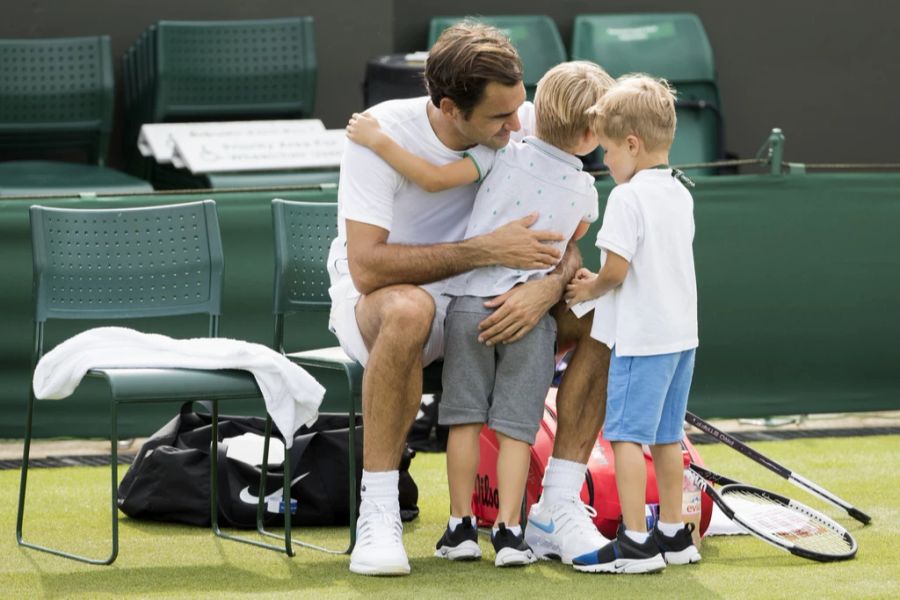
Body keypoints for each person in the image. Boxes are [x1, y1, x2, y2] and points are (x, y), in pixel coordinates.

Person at [329, 21, 611, 576]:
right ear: (450, 108)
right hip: (391, 300)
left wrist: (547, 290)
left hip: (496, 299)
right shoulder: (382, 133)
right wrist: (484, 250)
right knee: (412, 308)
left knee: (601, 310)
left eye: (519, 108)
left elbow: (565, 241)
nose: (517, 125)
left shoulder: (526, 121)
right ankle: (379, 511)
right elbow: (367, 269)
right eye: (499, 118)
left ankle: (556, 507)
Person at [564, 74, 701, 574]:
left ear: (632, 144)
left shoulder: (627, 198)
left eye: (608, 152)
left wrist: (587, 288)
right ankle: (675, 534)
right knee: (666, 439)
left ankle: (636, 541)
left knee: (624, 438)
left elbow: (616, 271)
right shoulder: (680, 192)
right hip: (682, 339)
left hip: (642, 342)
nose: (606, 163)